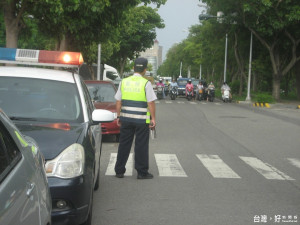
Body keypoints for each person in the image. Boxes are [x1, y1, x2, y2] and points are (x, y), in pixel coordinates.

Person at [114, 57, 157, 179]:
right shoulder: (146, 83)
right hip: (142, 120)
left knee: (124, 144)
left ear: (133, 68)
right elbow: (151, 103)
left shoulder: (124, 81)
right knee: (141, 145)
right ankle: (142, 172)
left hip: (126, 119)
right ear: (145, 70)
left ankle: (119, 170)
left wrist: (118, 116)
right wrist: (153, 118)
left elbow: (118, 101)